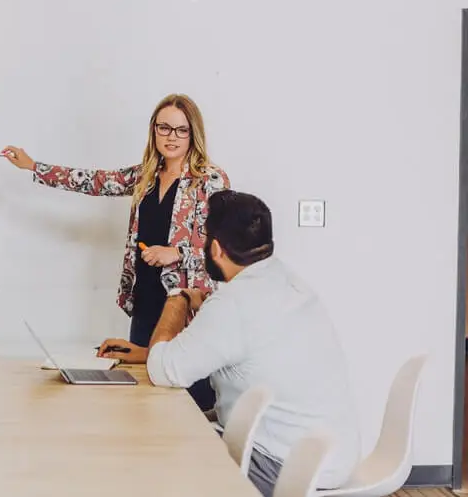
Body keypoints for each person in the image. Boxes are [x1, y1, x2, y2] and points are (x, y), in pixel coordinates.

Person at [3, 93, 230, 410]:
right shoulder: (145, 175)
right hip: (145, 297)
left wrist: (176, 253)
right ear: (154, 130)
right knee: (142, 395)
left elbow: (223, 249)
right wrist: (33, 166)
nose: (172, 137)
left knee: (185, 397)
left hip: (184, 305)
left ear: (193, 134)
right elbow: (95, 182)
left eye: (181, 130)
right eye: (164, 128)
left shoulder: (210, 181)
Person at [145, 189, 361, 497]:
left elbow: (161, 370)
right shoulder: (288, 281)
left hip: (287, 466)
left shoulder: (233, 304)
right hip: (333, 456)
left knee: (158, 452)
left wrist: (177, 298)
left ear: (216, 248)